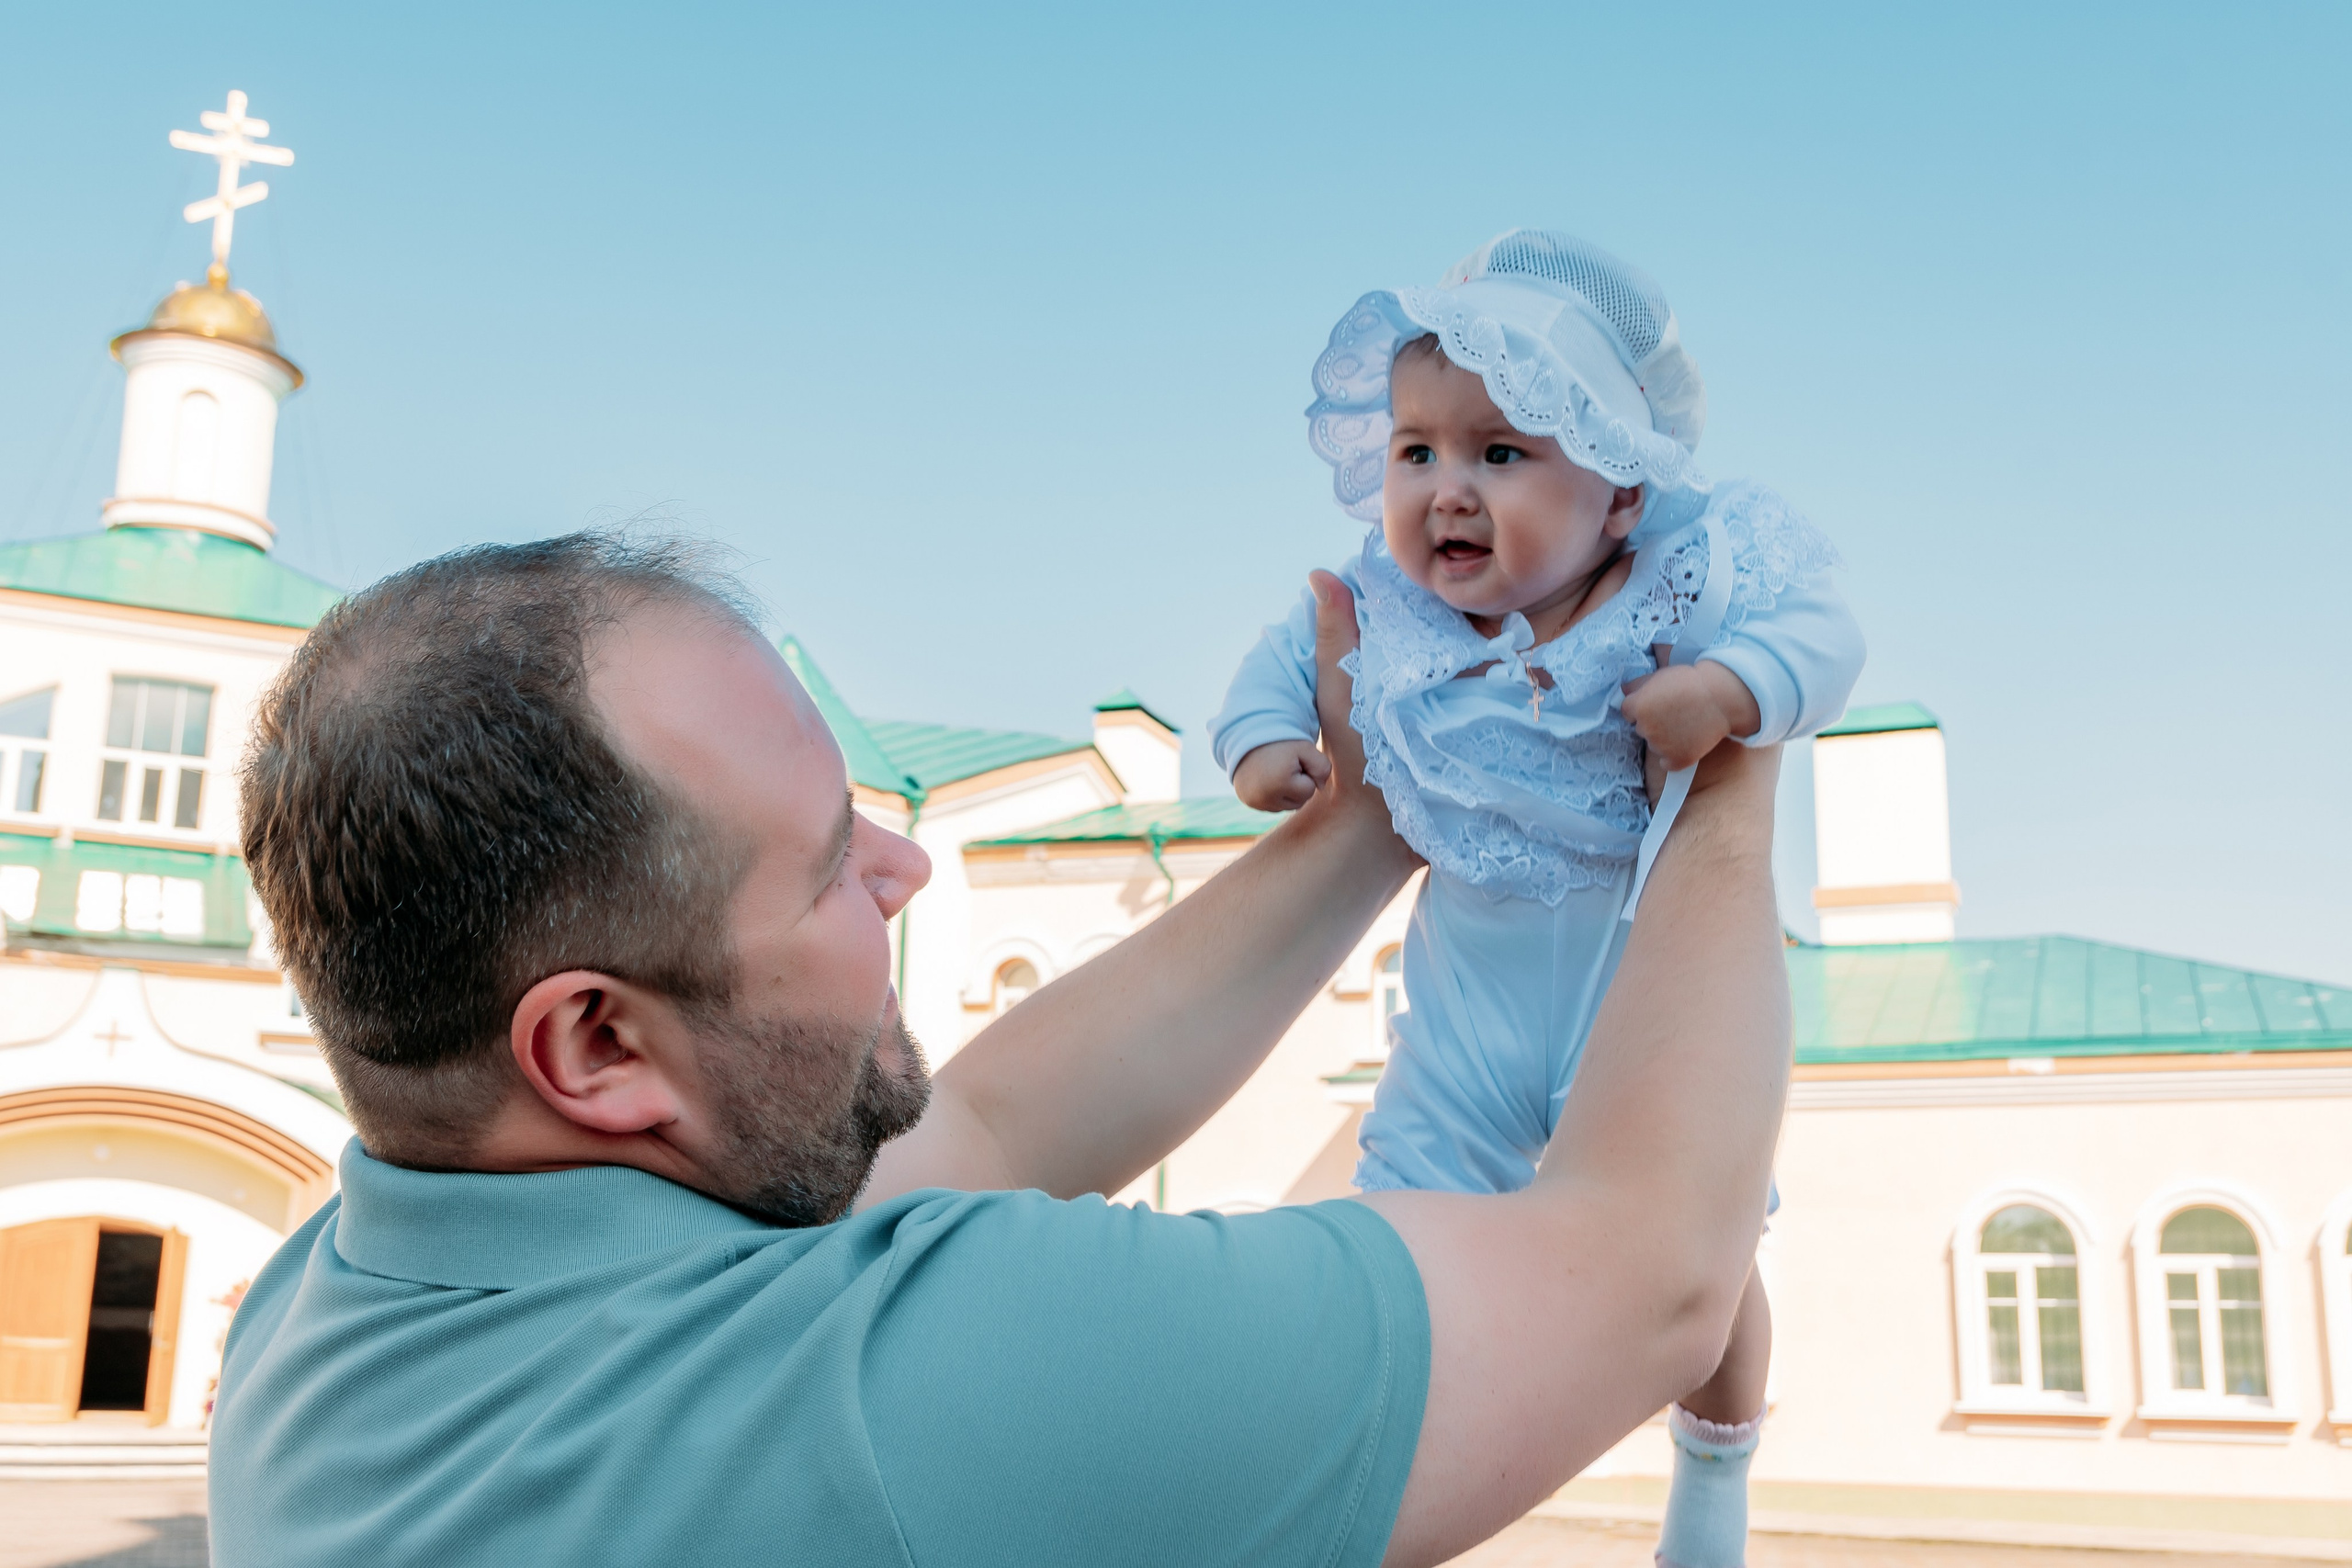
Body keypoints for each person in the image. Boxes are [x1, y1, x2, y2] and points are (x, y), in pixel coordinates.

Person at [211, 531, 1791, 1567]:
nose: (906, 875)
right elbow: (1647, 1271)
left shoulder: (315, 1317)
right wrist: (1727, 752)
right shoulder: (901, 1402)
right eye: (834, 864)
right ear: (600, 1040)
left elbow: (996, 1127)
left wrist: (1376, 819)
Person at [1213, 229, 1864, 1568]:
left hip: (1649, 1005)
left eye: (1501, 453)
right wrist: (1265, 749)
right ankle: (1361, 1478)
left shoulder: (1681, 577)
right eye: (1417, 451)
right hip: (1463, 1014)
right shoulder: (1381, 608)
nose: (1446, 489)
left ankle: (1718, 1460)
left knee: (1703, 1261)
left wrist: (1732, 691)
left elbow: (1825, 639)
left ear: (1619, 496)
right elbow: (1274, 670)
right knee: (1388, 1239)